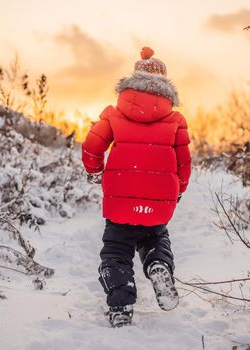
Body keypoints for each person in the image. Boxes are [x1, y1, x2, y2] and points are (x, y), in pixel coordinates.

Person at [81, 46, 192, 328]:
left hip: (120, 195)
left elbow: (92, 147)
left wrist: (96, 173)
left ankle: (120, 306)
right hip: (158, 199)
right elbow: (184, 163)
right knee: (155, 237)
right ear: (165, 86)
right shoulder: (175, 120)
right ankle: (158, 265)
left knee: (116, 251)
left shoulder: (113, 114)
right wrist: (176, 191)